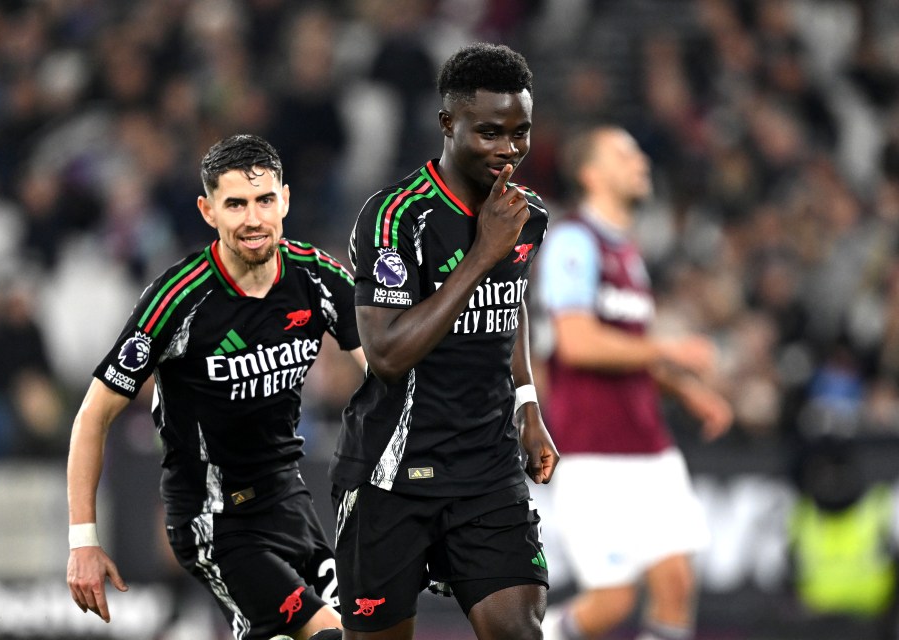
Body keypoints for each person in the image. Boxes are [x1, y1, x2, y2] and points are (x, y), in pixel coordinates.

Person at [66, 134, 364, 640]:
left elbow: (386, 369)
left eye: (265, 200)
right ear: (208, 211)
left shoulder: (317, 277)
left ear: (285, 200)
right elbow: (93, 415)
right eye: (236, 204)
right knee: (330, 635)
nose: (253, 219)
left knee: (366, 628)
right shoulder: (177, 299)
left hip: (289, 500)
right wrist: (82, 542)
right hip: (215, 517)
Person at [330, 42, 559, 640]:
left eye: (520, 132)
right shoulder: (394, 218)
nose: (509, 150)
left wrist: (527, 403)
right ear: (447, 124)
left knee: (520, 629)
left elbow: (511, 304)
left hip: (486, 468)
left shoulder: (525, 216)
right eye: (489, 133)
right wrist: (483, 252)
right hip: (391, 473)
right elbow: (386, 354)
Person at [537, 125, 733, 640]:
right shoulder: (573, 242)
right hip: (594, 449)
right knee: (612, 601)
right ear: (591, 174)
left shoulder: (627, 252)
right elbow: (576, 342)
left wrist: (684, 389)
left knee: (676, 580)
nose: (641, 162)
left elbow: (627, 347)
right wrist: (667, 347)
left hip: (648, 444)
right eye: (625, 154)